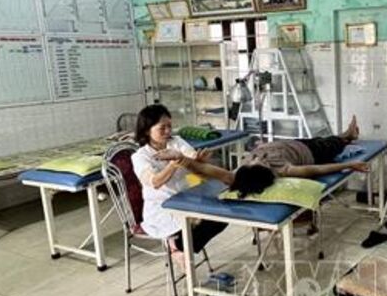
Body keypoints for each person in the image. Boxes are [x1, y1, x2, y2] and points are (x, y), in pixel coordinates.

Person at [131, 104, 228, 261]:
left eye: (169, 126)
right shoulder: (140, 157)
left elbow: (189, 155)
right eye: (162, 128)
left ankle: (178, 245)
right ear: (147, 130)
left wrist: (197, 160)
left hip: (187, 197)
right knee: (199, 220)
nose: (168, 131)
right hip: (162, 207)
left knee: (222, 215)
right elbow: (155, 182)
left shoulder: (176, 142)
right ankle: (180, 247)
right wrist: (174, 163)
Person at [183, 116, 369, 197]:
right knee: (329, 144)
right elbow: (317, 169)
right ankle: (348, 136)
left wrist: (186, 161)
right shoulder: (284, 170)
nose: (258, 158)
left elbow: (208, 170)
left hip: (290, 144)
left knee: (322, 139)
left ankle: (346, 136)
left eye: (254, 160)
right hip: (310, 152)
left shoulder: (240, 174)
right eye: (260, 162)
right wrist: (349, 165)